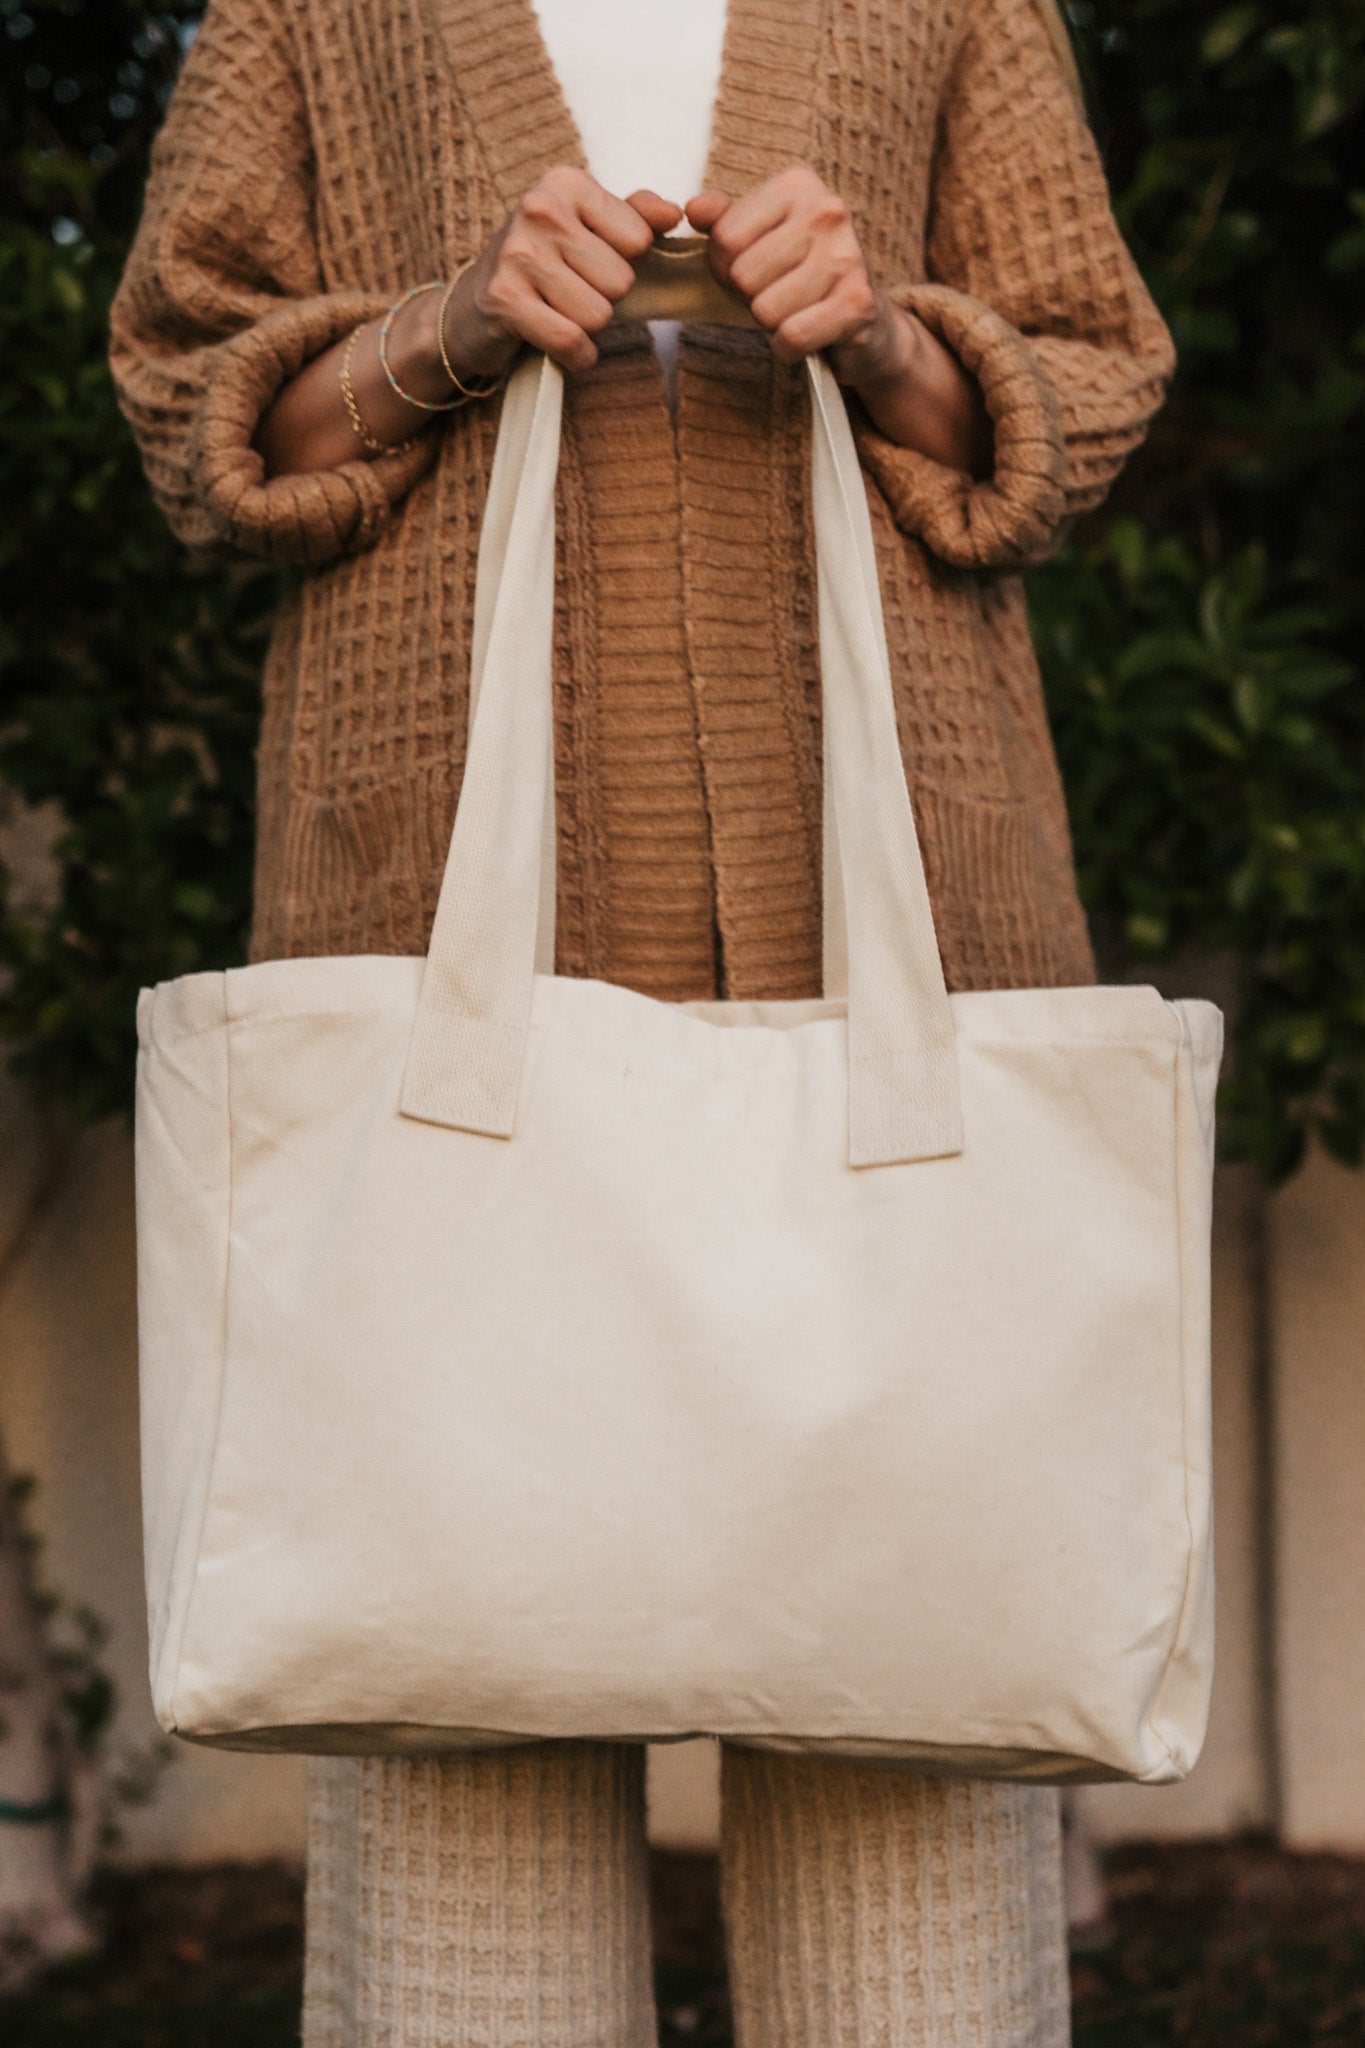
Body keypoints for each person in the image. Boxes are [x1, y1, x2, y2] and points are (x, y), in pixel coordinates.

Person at [110, 0, 1174, 2041]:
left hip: (896, 937)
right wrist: (444, 325)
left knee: (917, 1942)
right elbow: (191, 399)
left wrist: (877, 333)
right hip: (436, 922)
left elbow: (1081, 378)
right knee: (461, 1935)